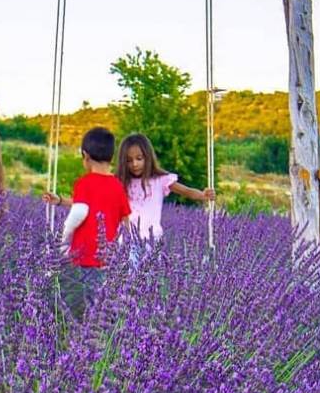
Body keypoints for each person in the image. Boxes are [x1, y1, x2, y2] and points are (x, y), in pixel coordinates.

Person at [44, 126, 131, 308]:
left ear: (85, 156)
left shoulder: (84, 183)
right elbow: (125, 221)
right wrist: (123, 250)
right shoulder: (117, 186)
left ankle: (91, 324)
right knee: (105, 296)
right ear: (111, 157)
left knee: (91, 301)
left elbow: (80, 212)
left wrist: (62, 241)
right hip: (110, 256)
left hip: (87, 254)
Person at [117, 132, 215, 242]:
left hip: (152, 239)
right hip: (126, 241)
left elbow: (186, 191)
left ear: (148, 158)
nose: (134, 164)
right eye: (129, 160)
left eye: (139, 158)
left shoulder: (159, 180)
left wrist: (202, 195)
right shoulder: (121, 183)